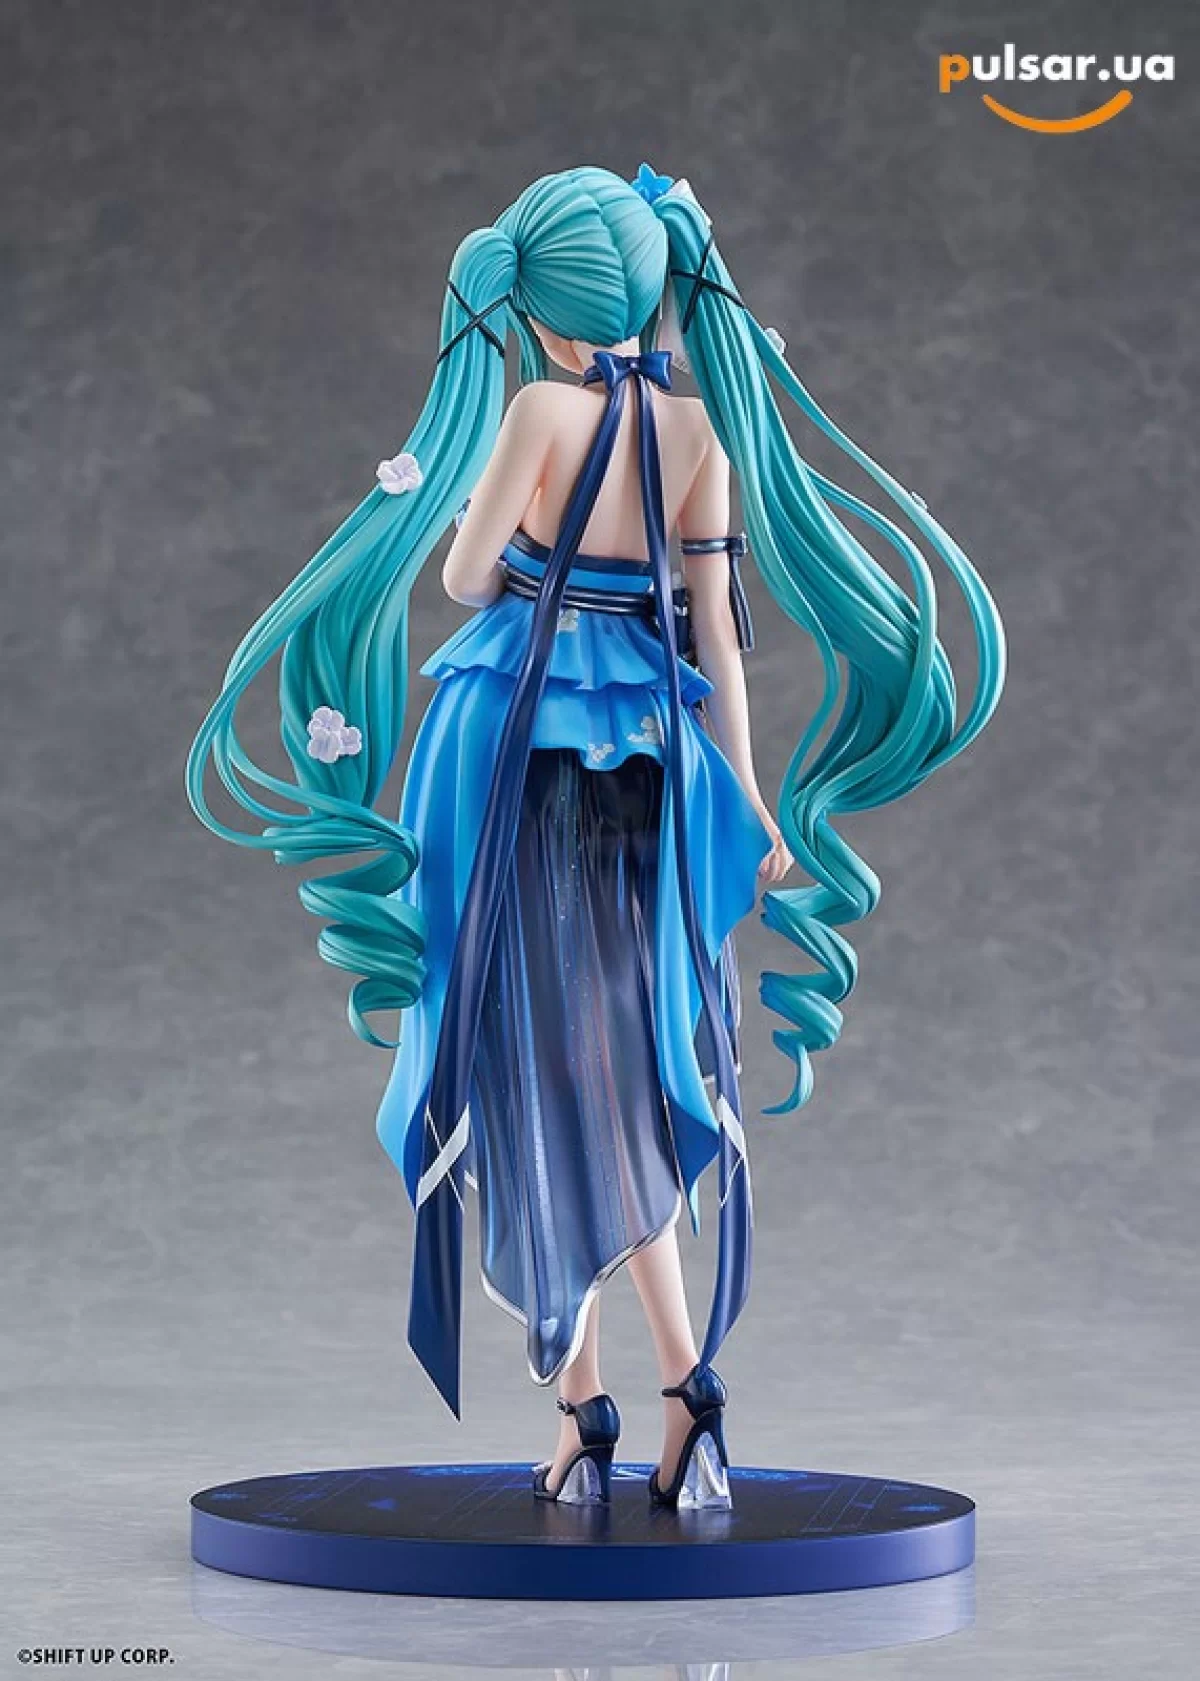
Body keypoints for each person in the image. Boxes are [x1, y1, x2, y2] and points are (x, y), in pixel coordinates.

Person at [186, 163, 1006, 1512]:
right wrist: (748, 792)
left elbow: (463, 577)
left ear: (545, 310)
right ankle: (687, 1387)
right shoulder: (701, 426)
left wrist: (506, 532)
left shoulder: (540, 409)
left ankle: (587, 1406)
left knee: (528, 1064)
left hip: (512, 746)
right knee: (628, 1056)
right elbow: (718, 639)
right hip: (657, 753)